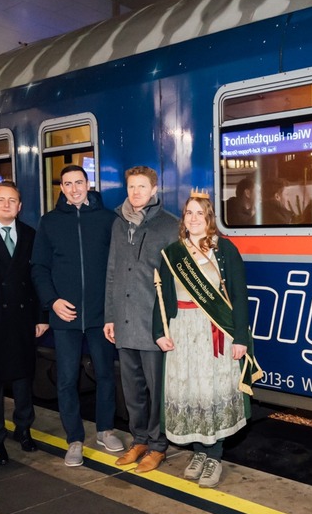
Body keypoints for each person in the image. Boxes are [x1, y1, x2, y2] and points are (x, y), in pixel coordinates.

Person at [154, 194, 263, 488]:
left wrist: (240, 337)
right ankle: (199, 453)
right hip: (183, 331)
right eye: (188, 213)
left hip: (215, 331)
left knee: (212, 392)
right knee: (192, 392)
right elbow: (162, 297)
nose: (193, 218)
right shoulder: (173, 252)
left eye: (199, 213)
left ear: (209, 217)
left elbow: (240, 297)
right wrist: (159, 332)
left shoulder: (225, 250)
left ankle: (214, 455)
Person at [32, 165, 124, 466]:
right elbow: (39, 268)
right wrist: (52, 302)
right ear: (61, 187)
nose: (74, 189)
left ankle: (105, 429)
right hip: (65, 317)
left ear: (89, 184)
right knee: (67, 378)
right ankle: (74, 439)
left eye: (79, 182)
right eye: (67, 183)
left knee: (106, 374)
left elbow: (117, 268)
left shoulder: (108, 220)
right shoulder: (50, 222)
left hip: (100, 315)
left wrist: (112, 308)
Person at [104, 166, 179, 474]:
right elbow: (111, 272)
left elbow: (176, 280)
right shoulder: (118, 225)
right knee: (132, 388)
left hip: (152, 321)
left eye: (141, 187)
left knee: (155, 387)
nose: (135, 193)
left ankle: (158, 445)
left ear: (154, 190)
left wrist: (169, 322)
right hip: (123, 320)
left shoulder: (170, 226)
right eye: (131, 187)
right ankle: (139, 440)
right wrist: (109, 316)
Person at [0, 181, 47, 463]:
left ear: (20, 206)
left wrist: (41, 317)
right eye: (0, 200)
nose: (6, 205)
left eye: (12, 200)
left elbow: (37, 277)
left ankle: (24, 429)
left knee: (24, 378)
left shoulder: (29, 234)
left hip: (23, 317)